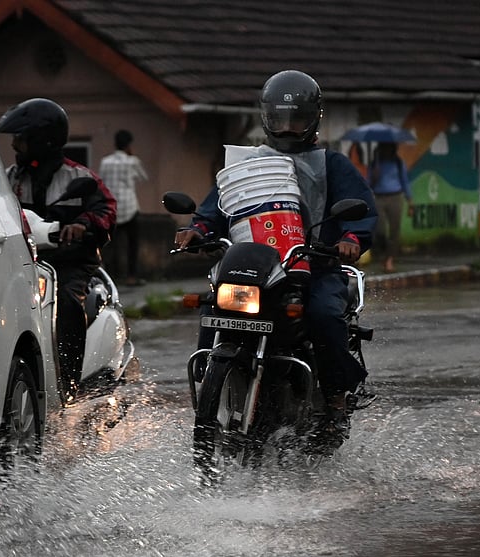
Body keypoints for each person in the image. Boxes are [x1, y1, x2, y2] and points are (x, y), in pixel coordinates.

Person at [173, 69, 377, 434]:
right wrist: (197, 230)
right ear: (266, 117)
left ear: (313, 118)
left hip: (313, 266)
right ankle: (208, 381)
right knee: (215, 305)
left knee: (323, 315)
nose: (286, 128)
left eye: (296, 119)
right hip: (254, 265)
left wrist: (351, 240)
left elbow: (361, 211)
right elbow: (218, 205)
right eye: (279, 120)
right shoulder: (246, 164)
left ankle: (335, 394)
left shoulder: (332, 164)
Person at [0, 98, 117, 400]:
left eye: (21, 139)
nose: (15, 145)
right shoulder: (9, 179)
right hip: (23, 264)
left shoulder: (81, 178)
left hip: (70, 265)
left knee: (67, 305)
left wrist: (84, 224)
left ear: (42, 140)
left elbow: (107, 210)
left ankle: (68, 384)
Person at [98, 129, 149, 286]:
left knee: (110, 244)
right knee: (132, 244)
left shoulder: (105, 162)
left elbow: (101, 182)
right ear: (128, 145)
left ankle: (111, 276)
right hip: (130, 206)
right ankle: (131, 276)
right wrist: (131, 155)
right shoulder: (132, 161)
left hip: (112, 208)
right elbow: (144, 177)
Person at [368, 141, 412, 273]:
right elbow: (368, 182)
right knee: (379, 230)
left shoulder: (398, 163)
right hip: (379, 197)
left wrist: (410, 202)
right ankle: (383, 253)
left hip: (395, 197)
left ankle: (390, 259)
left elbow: (405, 182)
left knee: (394, 230)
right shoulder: (375, 163)